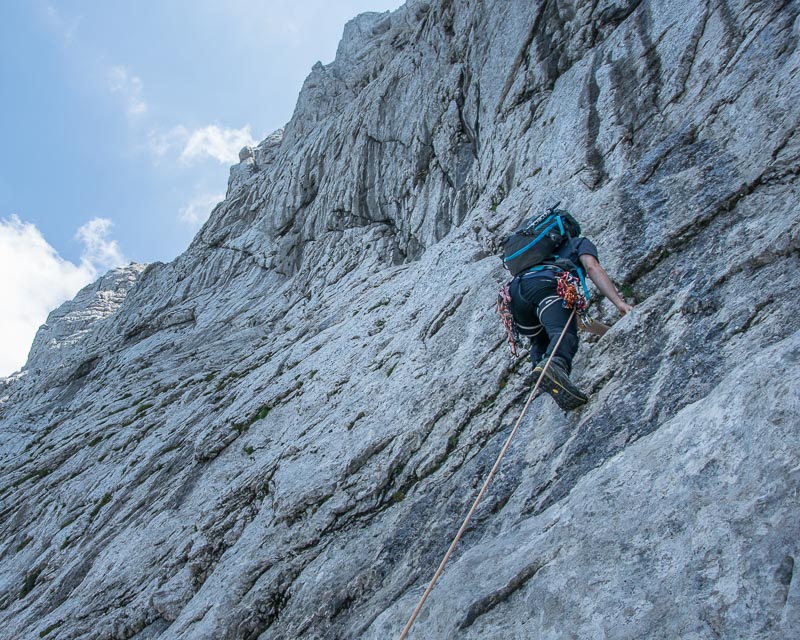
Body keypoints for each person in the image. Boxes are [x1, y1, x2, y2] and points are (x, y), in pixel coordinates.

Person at [508, 234, 633, 410]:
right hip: (544, 285)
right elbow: (592, 267)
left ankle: (542, 377)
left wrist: (609, 332)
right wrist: (620, 304)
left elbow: (578, 321)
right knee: (562, 333)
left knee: (542, 339)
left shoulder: (537, 258)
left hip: (514, 296)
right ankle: (556, 364)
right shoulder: (580, 243)